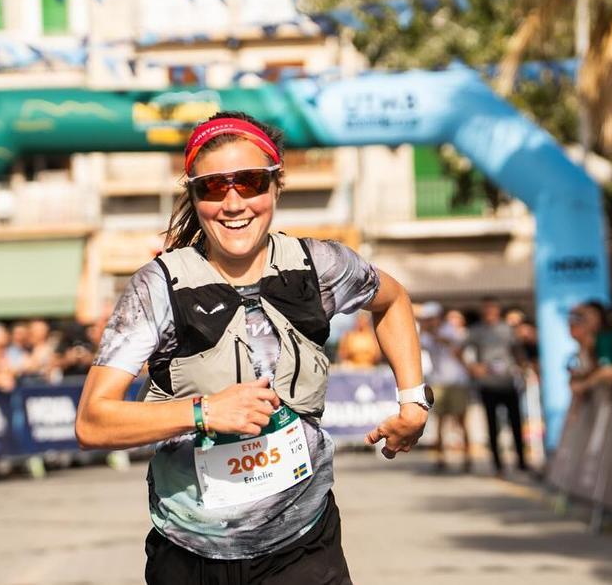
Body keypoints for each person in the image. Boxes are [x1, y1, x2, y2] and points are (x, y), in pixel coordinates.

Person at [75, 112, 427, 584]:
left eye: (250, 182)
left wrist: (413, 401)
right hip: (191, 552)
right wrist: (203, 413)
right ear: (195, 196)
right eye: (214, 187)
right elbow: (93, 421)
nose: (234, 202)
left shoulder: (315, 265)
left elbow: (393, 299)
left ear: (276, 186)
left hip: (303, 544)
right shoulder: (159, 288)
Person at [466, 297, 528, 475]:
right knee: (492, 425)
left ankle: (521, 461)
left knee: (516, 422)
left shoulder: (507, 329)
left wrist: (523, 366)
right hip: (488, 384)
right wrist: (473, 367)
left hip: (507, 381)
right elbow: (462, 350)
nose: (490, 313)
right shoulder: (476, 331)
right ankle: (498, 463)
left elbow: (517, 350)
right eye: (486, 309)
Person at [420, 304, 471, 472]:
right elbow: (418, 345)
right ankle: (440, 458)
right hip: (439, 382)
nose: (430, 321)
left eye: (432, 318)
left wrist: (431, 332)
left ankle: (467, 457)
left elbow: (453, 342)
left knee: (461, 421)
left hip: (457, 381)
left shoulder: (451, 328)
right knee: (439, 421)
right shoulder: (425, 335)